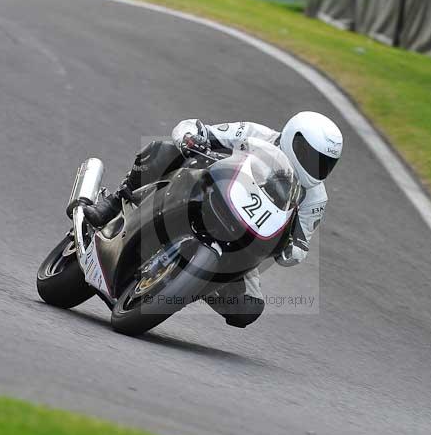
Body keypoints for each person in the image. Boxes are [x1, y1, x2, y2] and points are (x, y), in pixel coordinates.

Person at [84, 112, 343, 328]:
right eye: (310, 156)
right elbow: (196, 128)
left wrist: (291, 246)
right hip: (205, 193)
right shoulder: (255, 134)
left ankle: (190, 283)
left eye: (325, 163)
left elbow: (299, 248)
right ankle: (115, 201)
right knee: (164, 149)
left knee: (247, 308)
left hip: (243, 241)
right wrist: (190, 138)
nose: (316, 167)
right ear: (292, 138)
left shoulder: (315, 199)